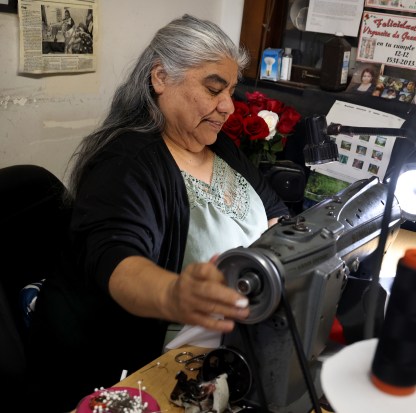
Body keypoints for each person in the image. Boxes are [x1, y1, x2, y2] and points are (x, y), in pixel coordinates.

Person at [27, 15, 289, 412]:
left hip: (234, 341)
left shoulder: (220, 148)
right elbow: (118, 259)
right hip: (152, 367)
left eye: (232, 91)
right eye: (214, 89)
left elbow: (274, 215)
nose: (228, 107)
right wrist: (173, 293)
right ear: (161, 78)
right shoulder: (126, 163)